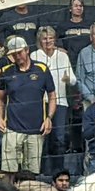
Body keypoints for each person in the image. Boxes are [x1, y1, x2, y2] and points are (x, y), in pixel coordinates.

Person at [0, 36, 56, 183]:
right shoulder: (6, 71)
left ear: (27, 50)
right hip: (12, 129)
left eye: (20, 52)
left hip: (36, 130)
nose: (17, 56)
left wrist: (49, 118)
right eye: (14, 54)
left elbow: (53, 96)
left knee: (31, 176)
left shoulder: (42, 69)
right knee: (8, 173)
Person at [34, 26, 73, 174]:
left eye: (51, 38)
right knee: (41, 138)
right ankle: (40, 171)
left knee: (59, 138)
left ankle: (58, 172)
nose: (48, 41)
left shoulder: (62, 56)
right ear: (40, 41)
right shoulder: (34, 56)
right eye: (45, 38)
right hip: (40, 103)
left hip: (60, 102)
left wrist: (68, 79)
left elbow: (73, 80)